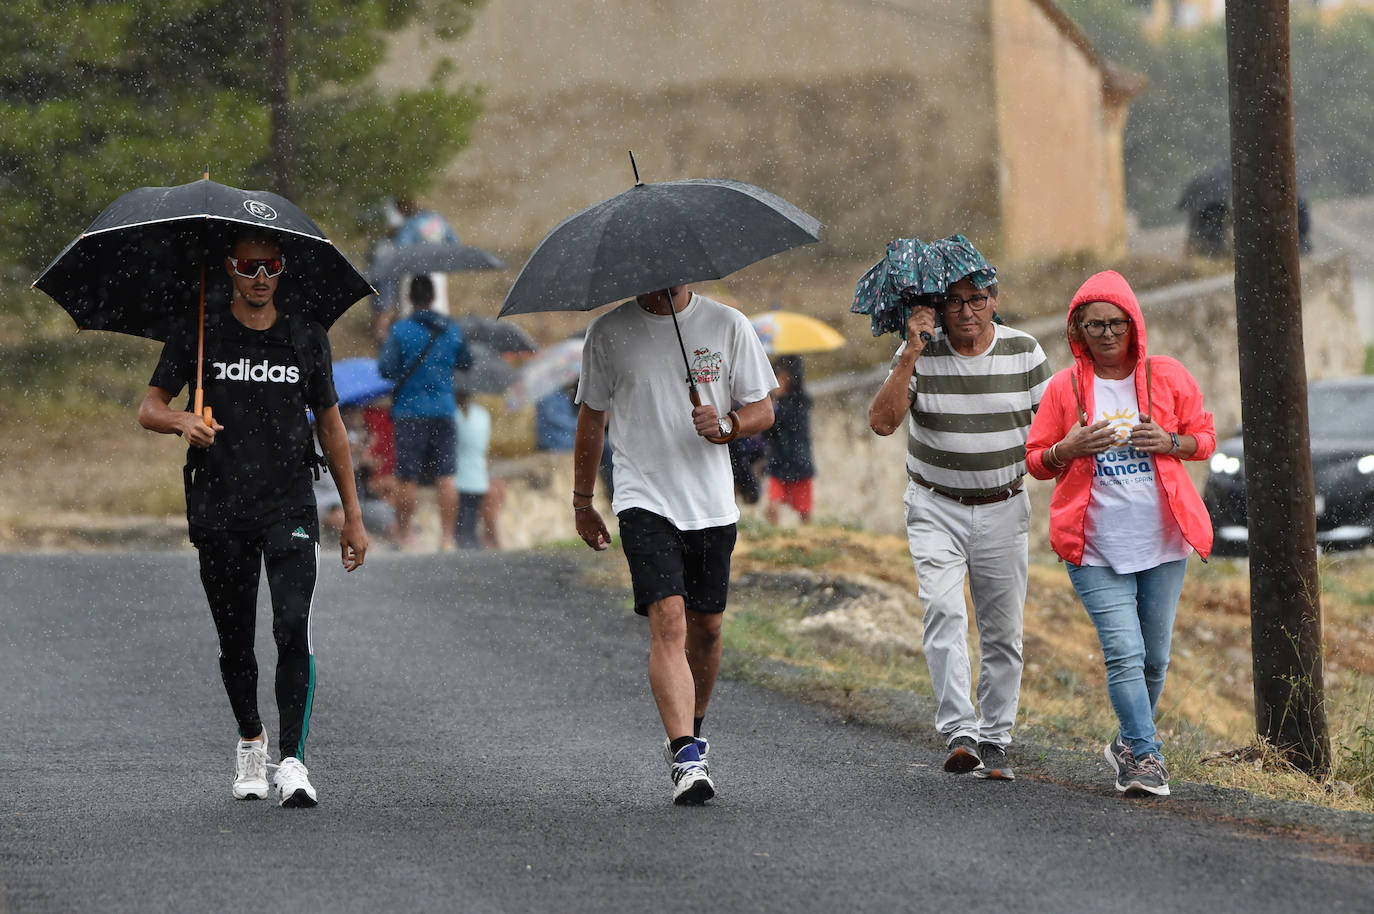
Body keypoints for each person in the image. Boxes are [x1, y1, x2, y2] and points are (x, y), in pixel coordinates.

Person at [138, 229, 368, 809]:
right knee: (235, 639)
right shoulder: (200, 333)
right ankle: (250, 738)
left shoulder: (306, 337)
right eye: (248, 267)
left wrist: (353, 515)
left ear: (282, 269)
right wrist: (183, 423)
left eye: (271, 267)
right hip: (220, 508)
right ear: (230, 270)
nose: (261, 278)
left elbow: (332, 427)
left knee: (292, 625)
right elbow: (149, 408)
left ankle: (292, 761)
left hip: (289, 504)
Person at [572, 285, 776, 805]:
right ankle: (686, 755)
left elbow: (763, 409)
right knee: (669, 619)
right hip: (642, 499)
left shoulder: (728, 324)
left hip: (710, 503)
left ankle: (693, 729)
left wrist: (728, 423)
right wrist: (581, 501)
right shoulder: (607, 332)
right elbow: (591, 418)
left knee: (706, 630)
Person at [1025, 270, 1215, 798]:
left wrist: (1171, 441)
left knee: (1155, 658)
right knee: (1125, 653)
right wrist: (1069, 448)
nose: (1106, 333)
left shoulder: (1168, 376)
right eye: (1093, 325)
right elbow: (1036, 462)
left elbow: (1205, 437)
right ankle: (1145, 756)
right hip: (1094, 547)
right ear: (1078, 332)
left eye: (1115, 323)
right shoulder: (1065, 388)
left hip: (1163, 543)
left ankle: (1127, 741)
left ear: (1134, 325)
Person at [868, 262, 1050, 782]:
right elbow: (882, 423)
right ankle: (960, 731)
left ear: (995, 301)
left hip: (1004, 503)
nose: (966, 311)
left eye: (977, 299)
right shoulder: (922, 354)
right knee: (944, 612)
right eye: (955, 302)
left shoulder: (1025, 351)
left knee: (1003, 629)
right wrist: (910, 351)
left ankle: (995, 736)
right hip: (935, 504)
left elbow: (1055, 424)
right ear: (937, 309)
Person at [378, 275, 470, 550]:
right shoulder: (450, 329)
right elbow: (466, 361)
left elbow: (386, 370)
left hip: (409, 411)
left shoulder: (400, 330)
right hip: (444, 409)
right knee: (447, 476)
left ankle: (405, 536)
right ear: (433, 298)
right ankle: (447, 538)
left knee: (407, 476)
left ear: (410, 299)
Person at [763, 355, 815, 525]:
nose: (778, 382)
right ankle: (774, 536)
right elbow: (768, 431)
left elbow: (794, 426)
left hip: (798, 461)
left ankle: (807, 539)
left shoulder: (800, 402)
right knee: (772, 506)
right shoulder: (772, 403)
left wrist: (780, 404)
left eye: (783, 378)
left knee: (804, 510)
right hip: (778, 461)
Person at [453, 389, 492, 549]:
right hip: (479, 475)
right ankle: (471, 540)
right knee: (472, 513)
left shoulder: (453, 415)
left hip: (459, 475)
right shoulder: (483, 415)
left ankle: (463, 540)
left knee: (462, 514)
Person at [534, 385, 579, 451]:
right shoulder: (549, 395)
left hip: (561, 439)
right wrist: (577, 423)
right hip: (553, 441)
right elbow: (554, 417)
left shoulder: (562, 393)